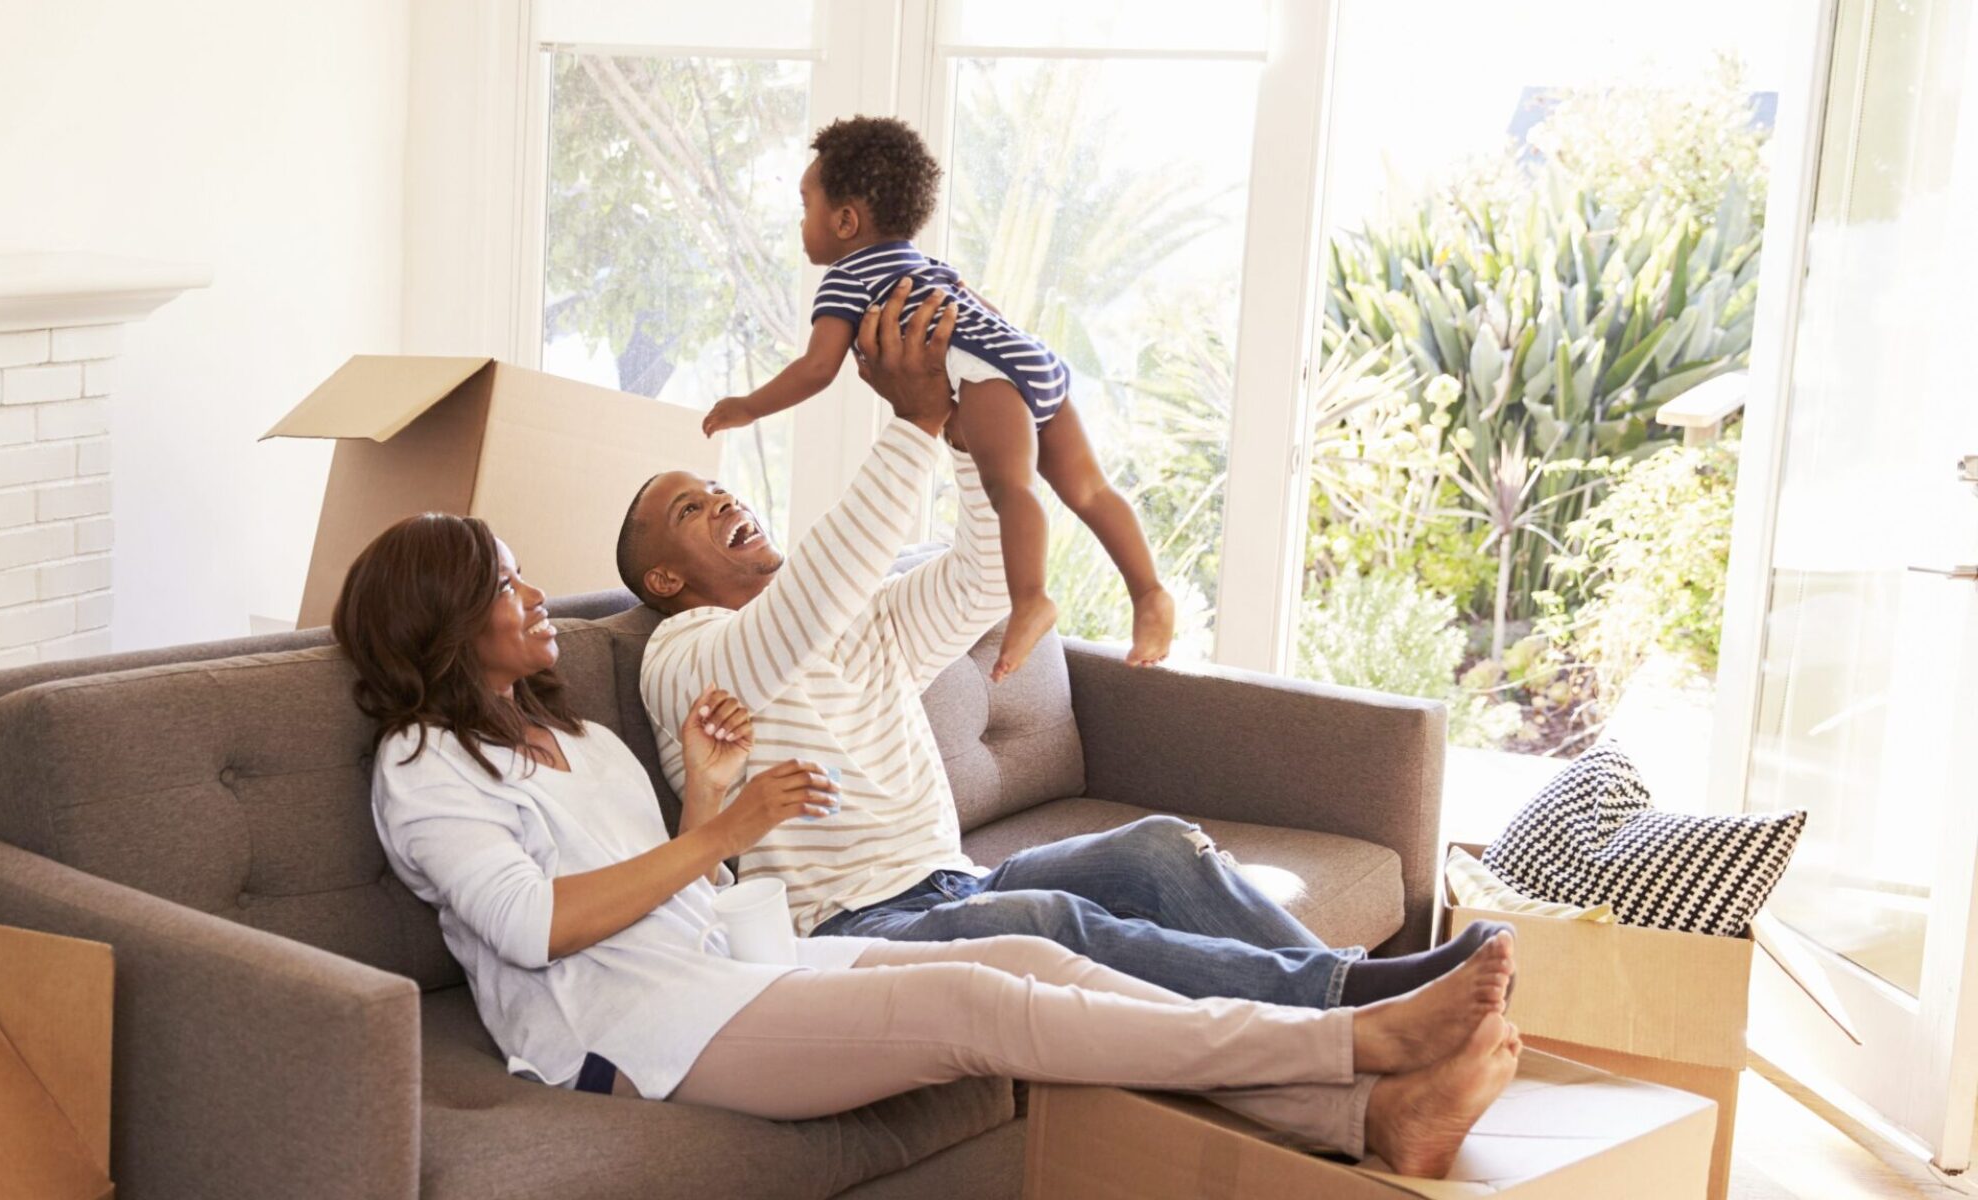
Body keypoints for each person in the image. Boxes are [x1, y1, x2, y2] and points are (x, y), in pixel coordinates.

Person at [331, 512, 1522, 1174]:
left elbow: (676, 890)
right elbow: (541, 927)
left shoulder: (574, 737)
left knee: (1038, 967)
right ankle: (1344, 1038)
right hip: (631, 1033)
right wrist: (727, 830)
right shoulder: (423, 770)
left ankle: (1366, 1120)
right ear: (440, 621)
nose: (534, 594)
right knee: (974, 1006)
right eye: (503, 580)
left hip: (722, 972)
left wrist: (707, 798)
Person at [624, 275, 1513, 1012]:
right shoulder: (685, 655)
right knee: (1050, 922)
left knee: (1159, 847)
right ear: (664, 577)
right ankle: (1355, 1008)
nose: (726, 503)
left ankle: (1363, 993)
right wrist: (914, 422)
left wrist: (971, 443)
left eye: (719, 488)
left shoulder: (856, 615)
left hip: (950, 881)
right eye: (689, 510)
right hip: (849, 930)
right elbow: (796, 622)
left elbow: (979, 581)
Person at [700, 114, 1174, 679]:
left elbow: (818, 367)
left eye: (806, 206)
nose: (800, 223)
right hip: (1029, 356)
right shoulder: (927, 265)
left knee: (1012, 486)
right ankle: (1148, 594)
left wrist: (748, 406)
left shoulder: (847, 280)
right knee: (1091, 489)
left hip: (985, 372)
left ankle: (1031, 600)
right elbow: (986, 313)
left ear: (846, 220)